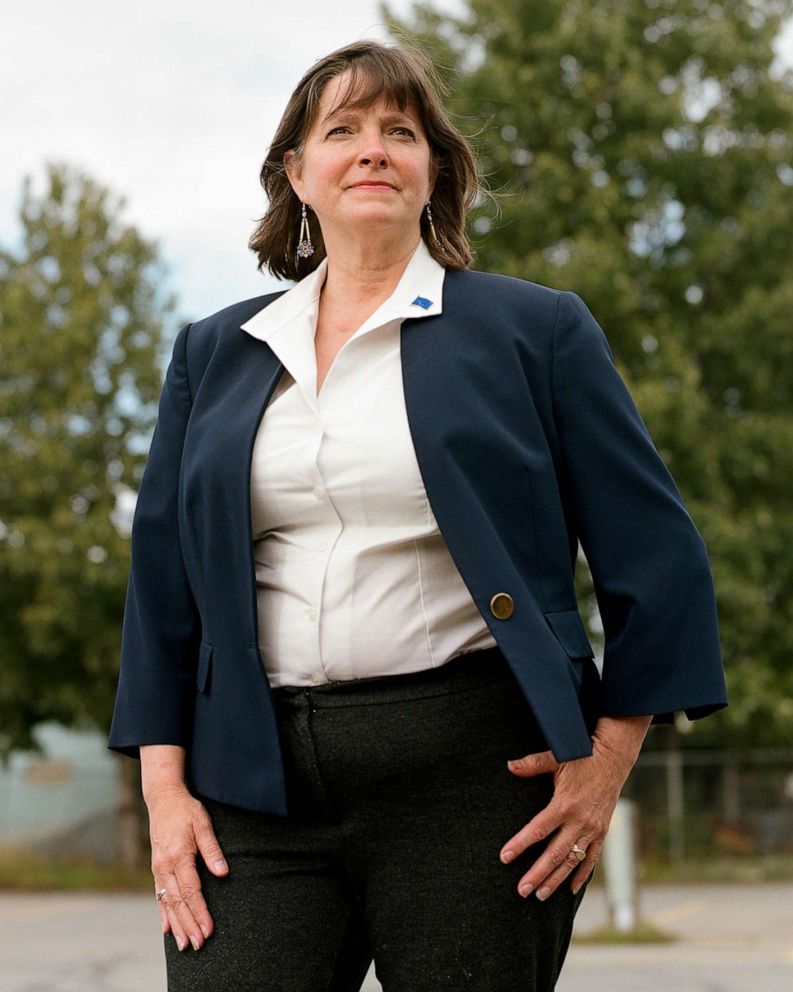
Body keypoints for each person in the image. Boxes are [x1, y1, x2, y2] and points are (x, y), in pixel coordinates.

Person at [108, 38, 728, 992]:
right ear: (296, 173)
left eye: (400, 132)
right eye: (342, 130)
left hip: (475, 781)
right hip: (250, 785)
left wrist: (605, 763)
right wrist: (163, 792)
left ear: (432, 170)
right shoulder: (214, 352)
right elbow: (163, 587)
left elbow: (656, 558)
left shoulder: (536, 331)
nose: (372, 149)